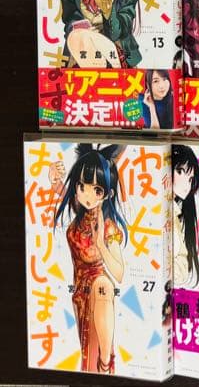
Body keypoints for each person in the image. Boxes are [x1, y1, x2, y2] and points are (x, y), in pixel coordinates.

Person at [49, 144, 128, 374]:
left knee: (104, 286)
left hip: (97, 288)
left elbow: (119, 273)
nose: (87, 194)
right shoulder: (81, 210)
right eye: (82, 186)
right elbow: (67, 194)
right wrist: (54, 179)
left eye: (97, 190)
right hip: (79, 294)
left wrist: (101, 244)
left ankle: (105, 362)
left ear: (107, 194)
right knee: (86, 351)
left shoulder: (108, 226)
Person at [172, 145, 199, 289]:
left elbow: (181, 273)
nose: (186, 185)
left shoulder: (175, 212)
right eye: (180, 172)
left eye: (190, 179)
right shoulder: (170, 213)